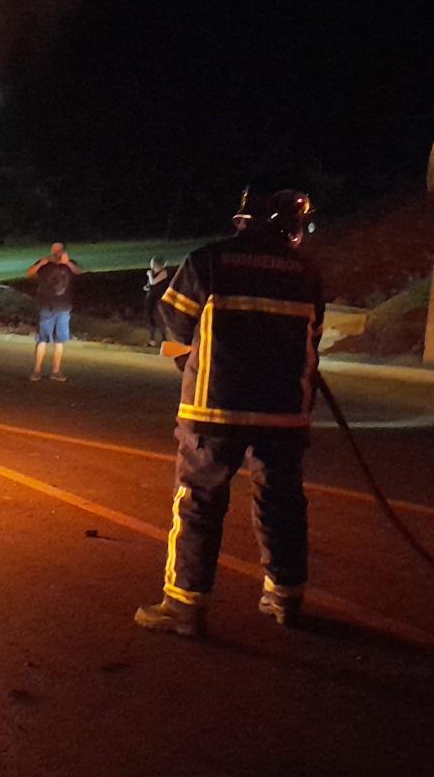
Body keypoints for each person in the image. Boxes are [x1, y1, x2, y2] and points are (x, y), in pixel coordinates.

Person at [134, 189, 323, 637]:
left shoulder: (209, 262)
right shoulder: (308, 273)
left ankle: (185, 608)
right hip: (283, 413)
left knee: (199, 503)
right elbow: (312, 337)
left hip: (215, 407)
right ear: (289, 228)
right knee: (283, 502)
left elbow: (176, 323)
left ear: (244, 220)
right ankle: (285, 598)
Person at [27, 242, 81, 381]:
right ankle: (37, 370)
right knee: (42, 340)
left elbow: (78, 272)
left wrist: (67, 262)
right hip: (47, 307)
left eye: (59, 250)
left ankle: (56, 371)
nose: (57, 253)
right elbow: (29, 273)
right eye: (55, 250)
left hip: (63, 308)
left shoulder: (68, 264)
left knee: (60, 341)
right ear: (52, 251)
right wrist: (40, 264)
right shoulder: (45, 264)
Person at [143, 257, 170, 347]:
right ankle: (152, 340)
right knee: (150, 318)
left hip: (159, 298)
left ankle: (164, 339)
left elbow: (153, 282)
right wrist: (147, 287)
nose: (153, 267)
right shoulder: (153, 273)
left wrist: (149, 275)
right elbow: (150, 284)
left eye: (154, 265)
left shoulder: (163, 273)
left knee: (159, 317)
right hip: (151, 298)